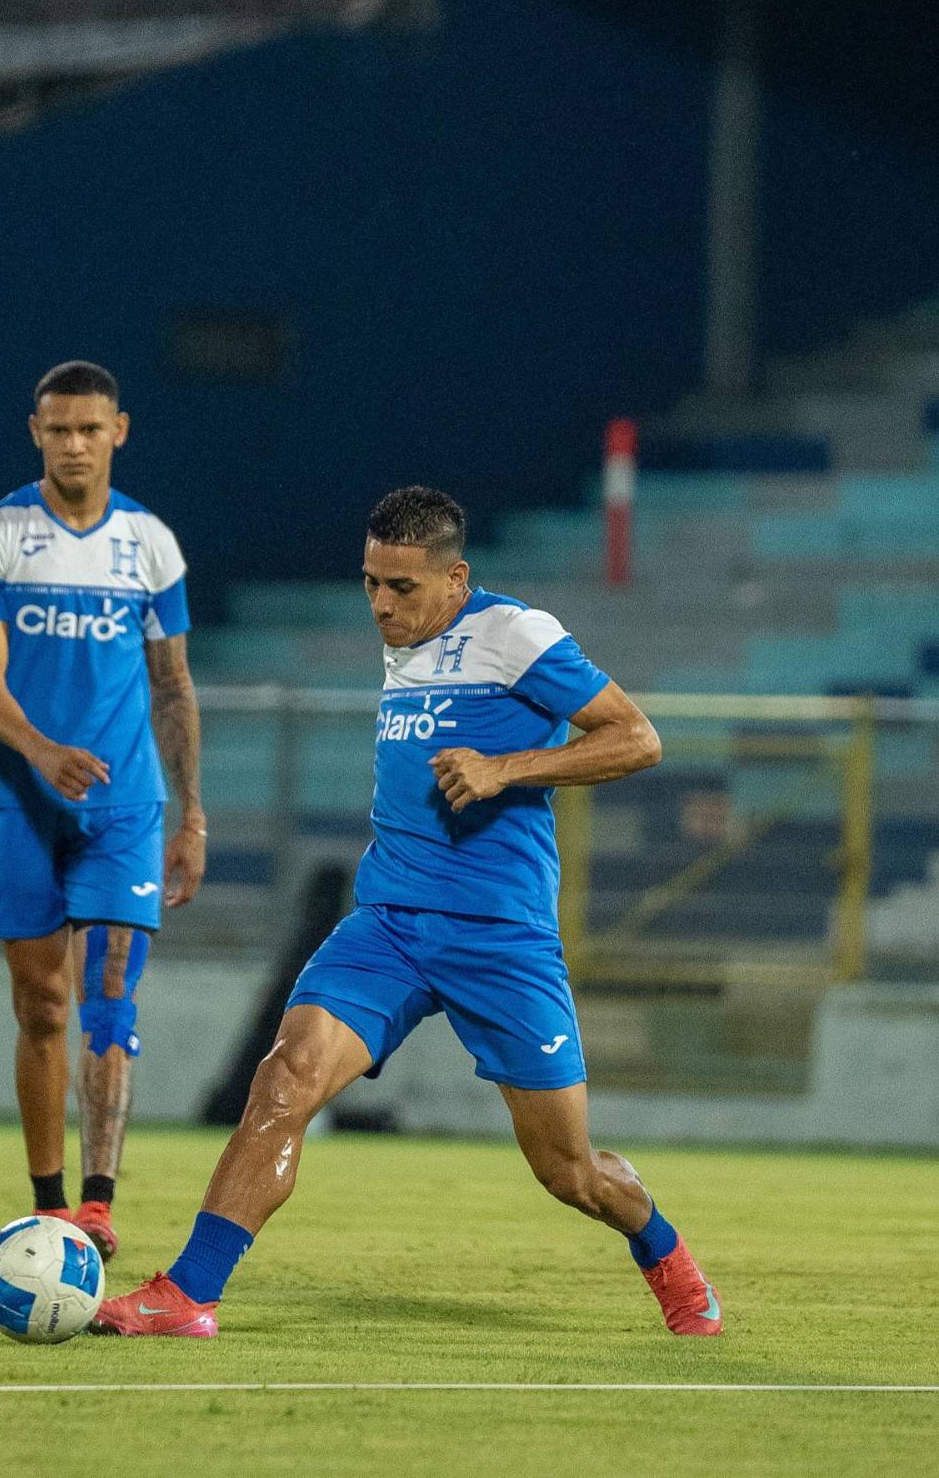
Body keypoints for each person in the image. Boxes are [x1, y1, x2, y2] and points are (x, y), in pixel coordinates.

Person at [92, 485, 721, 1337]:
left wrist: (507, 768)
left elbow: (637, 737)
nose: (381, 606)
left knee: (569, 1171)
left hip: (501, 940)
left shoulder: (514, 633)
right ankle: (189, 1293)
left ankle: (665, 1251)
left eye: (403, 588)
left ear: (457, 578)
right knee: (284, 1080)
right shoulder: (407, 640)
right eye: (370, 584)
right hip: (386, 923)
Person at [0, 360, 206, 1260]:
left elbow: (173, 687)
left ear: (119, 430)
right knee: (42, 1004)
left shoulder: (150, 543)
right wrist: (41, 751)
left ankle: (97, 1207)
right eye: (58, 429)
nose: (74, 444)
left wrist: (193, 815)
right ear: (36, 432)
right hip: (20, 795)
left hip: (124, 803)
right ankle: (48, 1201)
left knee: (107, 1000)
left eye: (89, 429)